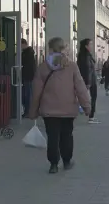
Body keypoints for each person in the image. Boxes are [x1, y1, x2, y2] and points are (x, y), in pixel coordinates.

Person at [29, 37, 91, 174]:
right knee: (67, 135)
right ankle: (67, 161)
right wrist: (86, 106)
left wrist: (33, 111)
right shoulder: (72, 66)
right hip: (68, 109)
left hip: (49, 110)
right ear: (63, 49)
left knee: (52, 137)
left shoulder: (43, 67)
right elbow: (80, 87)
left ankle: (53, 164)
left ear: (50, 49)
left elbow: (36, 91)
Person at [77, 38, 100, 124]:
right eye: (90, 44)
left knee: (89, 97)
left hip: (89, 80)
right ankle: (91, 116)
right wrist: (88, 82)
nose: (92, 46)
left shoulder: (85, 55)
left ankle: (89, 114)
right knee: (93, 97)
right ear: (86, 46)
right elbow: (87, 70)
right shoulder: (86, 56)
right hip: (90, 80)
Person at [21, 38, 36, 118]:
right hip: (28, 76)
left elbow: (27, 65)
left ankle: (28, 111)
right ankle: (28, 111)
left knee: (27, 94)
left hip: (28, 76)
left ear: (23, 44)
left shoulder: (27, 53)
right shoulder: (28, 53)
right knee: (26, 94)